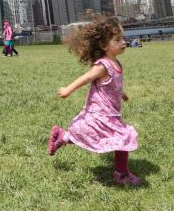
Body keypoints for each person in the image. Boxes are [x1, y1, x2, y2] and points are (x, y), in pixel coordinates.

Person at [47, 16, 141, 186]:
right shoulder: (102, 65)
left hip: (111, 112)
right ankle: (121, 174)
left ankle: (61, 136)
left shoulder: (116, 62)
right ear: (104, 45)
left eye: (123, 38)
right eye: (118, 39)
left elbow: (114, 85)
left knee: (96, 136)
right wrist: (68, 89)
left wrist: (122, 94)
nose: (123, 42)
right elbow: (86, 77)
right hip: (99, 112)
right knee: (122, 137)